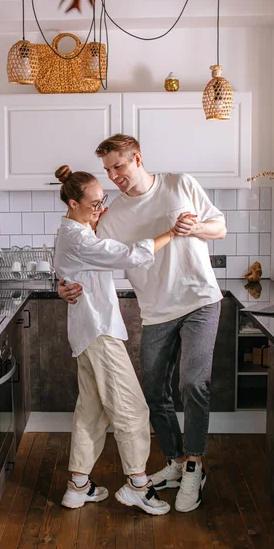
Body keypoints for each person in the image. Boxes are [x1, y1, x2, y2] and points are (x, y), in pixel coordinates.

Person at [58, 134, 227, 513]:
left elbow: (219, 227)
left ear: (137, 158)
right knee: (154, 390)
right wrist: (63, 286)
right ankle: (176, 462)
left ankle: (195, 465)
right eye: (107, 170)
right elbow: (83, 252)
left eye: (118, 166)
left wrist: (194, 229)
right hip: (156, 310)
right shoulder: (111, 215)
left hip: (200, 299)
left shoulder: (179, 183)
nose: (114, 175)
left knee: (191, 381)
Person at [54, 164, 177, 516]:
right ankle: (138, 484)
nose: (101, 208)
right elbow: (128, 255)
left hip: (88, 332)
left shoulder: (75, 229)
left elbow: (68, 266)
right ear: (74, 203)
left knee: (91, 412)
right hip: (98, 331)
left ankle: (78, 486)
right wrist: (172, 234)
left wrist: (63, 281)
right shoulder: (79, 237)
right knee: (132, 409)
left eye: (102, 200)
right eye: (94, 204)